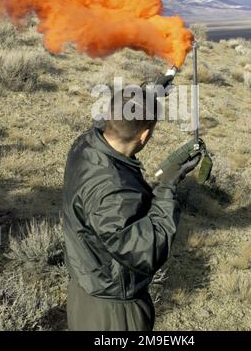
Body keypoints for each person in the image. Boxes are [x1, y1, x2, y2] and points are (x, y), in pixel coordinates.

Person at [63, 82, 201, 331]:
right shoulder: (113, 192)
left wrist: (146, 95)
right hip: (113, 310)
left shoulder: (86, 145)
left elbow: (122, 112)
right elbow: (146, 251)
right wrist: (167, 188)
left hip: (86, 286)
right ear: (144, 135)